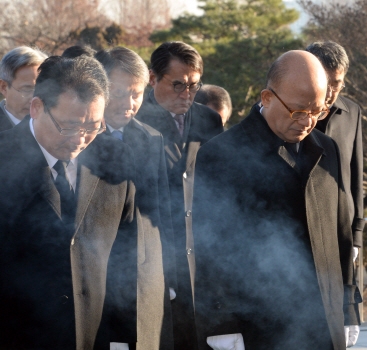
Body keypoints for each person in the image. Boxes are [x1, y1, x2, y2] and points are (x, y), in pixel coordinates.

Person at [193, 50, 361, 350]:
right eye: (298, 110)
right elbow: (210, 248)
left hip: (323, 319)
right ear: (267, 97)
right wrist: (221, 325)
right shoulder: (222, 154)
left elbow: (341, 235)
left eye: (318, 111)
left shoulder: (327, 150)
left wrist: (348, 309)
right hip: (259, 322)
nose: (308, 121)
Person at [0, 55, 138, 348]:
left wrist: (123, 338)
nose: (80, 140)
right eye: (69, 126)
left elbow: (126, 258)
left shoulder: (114, 161)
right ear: (36, 107)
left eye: (93, 127)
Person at [135, 41, 223, 348]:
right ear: (152, 78)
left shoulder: (209, 120)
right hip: (156, 257)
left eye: (194, 86)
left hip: (202, 254)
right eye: (177, 85)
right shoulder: (136, 122)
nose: (186, 95)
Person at [95, 46, 176, 350]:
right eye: (118, 93)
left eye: (136, 94)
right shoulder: (80, 138)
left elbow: (163, 210)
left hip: (145, 271)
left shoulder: (151, 138)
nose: (128, 104)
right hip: (100, 272)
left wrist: (171, 275)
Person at [305, 41, 365, 252]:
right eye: (325, 82)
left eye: (337, 83)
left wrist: (356, 235)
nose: (330, 92)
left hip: (342, 229)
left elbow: (355, 175)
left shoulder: (353, 111)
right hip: (304, 227)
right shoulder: (289, 113)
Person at [0, 46, 47, 131]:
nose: (34, 99)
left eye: (41, 89)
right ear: (4, 87)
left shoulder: (56, 129)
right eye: (27, 90)